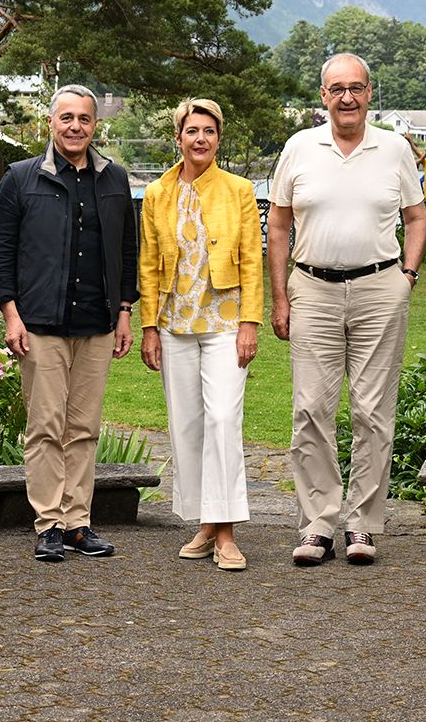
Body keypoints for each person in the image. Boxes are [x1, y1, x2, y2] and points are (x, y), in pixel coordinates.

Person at [269, 53, 426, 566]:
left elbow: (417, 216)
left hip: (379, 289)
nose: (347, 98)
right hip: (312, 289)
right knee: (311, 409)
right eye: (337, 89)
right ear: (323, 96)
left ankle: (362, 524)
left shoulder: (394, 148)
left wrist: (407, 276)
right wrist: (279, 296)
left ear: (369, 93)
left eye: (356, 88)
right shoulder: (299, 147)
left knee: (372, 411)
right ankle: (317, 524)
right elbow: (278, 226)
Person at [0, 84, 139, 562]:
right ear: (51, 122)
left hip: (97, 322)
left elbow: (128, 250)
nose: (76, 127)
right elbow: (1, 254)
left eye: (84, 119)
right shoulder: (20, 178)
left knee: (84, 428)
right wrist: (11, 315)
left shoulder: (114, 178)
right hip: (40, 323)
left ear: (95, 125)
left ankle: (78, 524)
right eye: (67, 118)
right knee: (45, 428)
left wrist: (124, 311)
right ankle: (49, 524)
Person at [138, 97, 263, 572]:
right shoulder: (157, 193)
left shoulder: (238, 190)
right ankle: (206, 523)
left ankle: (227, 532)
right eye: (192, 130)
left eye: (209, 131)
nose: (201, 138)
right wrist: (149, 326)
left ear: (218, 138)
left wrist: (250, 322)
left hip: (225, 323)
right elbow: (149, 264)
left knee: (223, 421)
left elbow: (251, 259)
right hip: (174, 324)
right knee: (187, 425)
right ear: (178, 137)